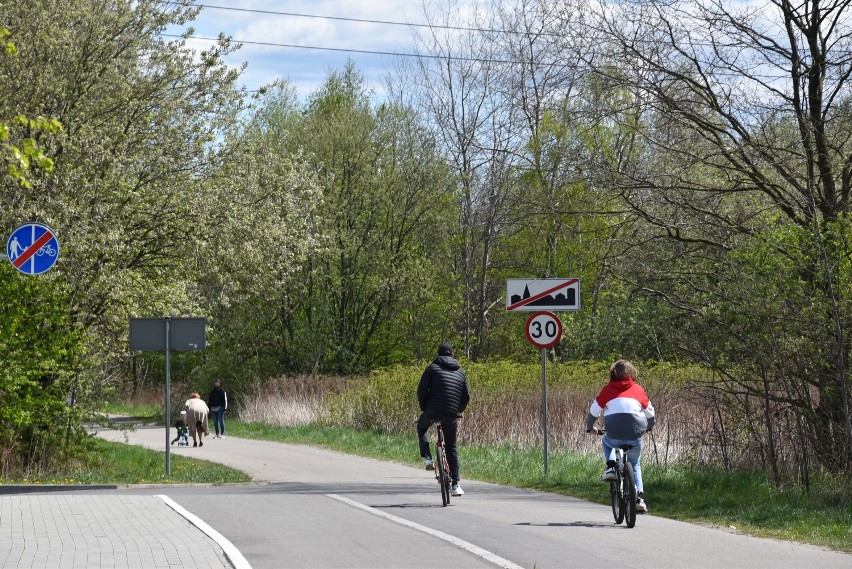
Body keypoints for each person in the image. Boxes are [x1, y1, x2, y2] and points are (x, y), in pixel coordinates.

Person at [586, 359, 656, 513]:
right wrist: (649, 427)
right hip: (635, 434)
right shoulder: (638, 389)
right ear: (631, 373)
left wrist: (590, 427)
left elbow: (593, 412)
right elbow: (650, 413)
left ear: (612, 374)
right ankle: (638, 498)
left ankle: (611, 468)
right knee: (635, 464)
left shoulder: (608, 390)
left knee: (607, 441)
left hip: (614, 433)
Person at [416, 342, 470, 497]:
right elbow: (466, 397)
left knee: (422, 427)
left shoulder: (432, 368)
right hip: (451, 413)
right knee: (451, 447)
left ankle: (427, 458)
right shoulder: (461, 371)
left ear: (438, 355)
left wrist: (424, 408)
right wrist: (457, 410)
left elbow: (421, 391)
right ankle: (456, 485)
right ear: (452, 354)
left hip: (432, 410)